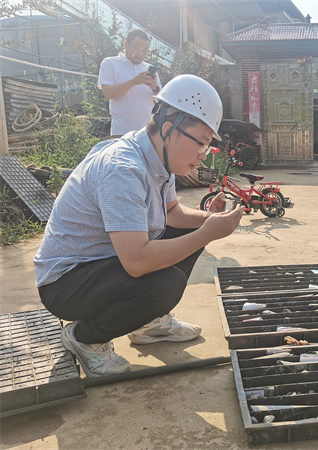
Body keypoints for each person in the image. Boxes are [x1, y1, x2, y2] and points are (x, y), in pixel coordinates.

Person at [34, 74, 243, 378]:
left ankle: (148, 323)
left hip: (101, 265)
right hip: (66, 283)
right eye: (201, 144)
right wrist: (206, 233)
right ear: (170, 130)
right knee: (165, 283)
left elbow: (171, 212)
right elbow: (136, 261)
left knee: (189, 234)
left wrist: (209, 220)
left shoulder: (159, 159)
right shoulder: (123, 169)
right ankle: (85, 338)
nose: (202, 156)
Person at [98, 28, 161, 138]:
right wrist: (133, 82)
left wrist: (155, 88)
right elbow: (108, 93)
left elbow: (160, 100)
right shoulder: (110, 63)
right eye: (137, 48)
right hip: (122, 131)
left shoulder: (148, 68)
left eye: (145, 50)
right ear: (126, 44)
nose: (140, 53)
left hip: (149, 133)